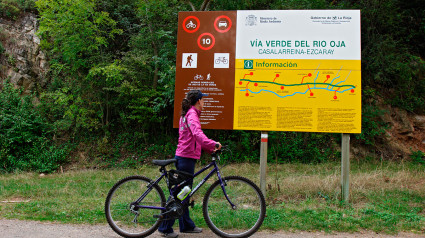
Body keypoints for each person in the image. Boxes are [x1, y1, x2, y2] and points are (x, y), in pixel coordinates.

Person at [158, 90, 222, 238]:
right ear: (198, 101)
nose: (204, 102)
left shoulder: (188, 114)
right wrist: (213, 143)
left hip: (186, 156)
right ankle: (165, 227)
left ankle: (186, 225)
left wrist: (209, 148)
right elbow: (197, 134)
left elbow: (193, 138)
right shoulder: (192, 115)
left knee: (184, 192)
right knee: (180, 194)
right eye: (203, 99)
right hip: (185, 157)